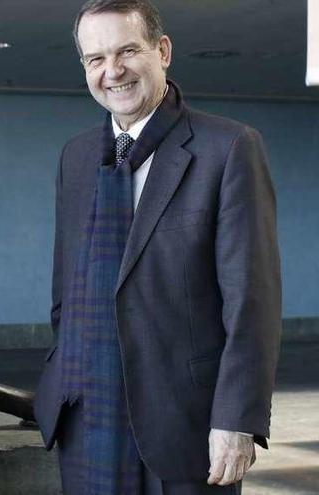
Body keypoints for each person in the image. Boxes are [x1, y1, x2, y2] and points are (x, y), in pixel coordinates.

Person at [33, 1, 282, 493]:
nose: (113, 71)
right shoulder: (77, 157)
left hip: (185, 427)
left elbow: (252, 303)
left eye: (127, 51)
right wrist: (64, 376)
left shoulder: (228, 148)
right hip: (87, 418)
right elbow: (67, 287)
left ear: (162, 51)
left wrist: (236, 419)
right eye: (95, 59)